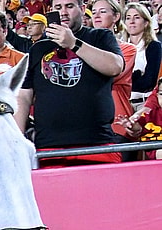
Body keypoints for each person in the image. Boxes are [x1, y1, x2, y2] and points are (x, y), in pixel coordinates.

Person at [15, 0, 124, 166]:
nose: (63, 12)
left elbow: (115, 66)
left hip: (97, 145)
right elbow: (24, 95)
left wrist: (73, 43)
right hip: (48, 148)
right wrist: (16, 137)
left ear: (82, 9)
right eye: (58, 8)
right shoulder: (38, 48)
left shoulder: (100, 36)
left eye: (70, 6)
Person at [92, 0, 137, 148]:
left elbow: (111, 74)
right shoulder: (81, 48)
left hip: (118, 123)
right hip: (88, 125)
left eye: (103, 11)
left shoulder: (128, 49)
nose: (96, 15)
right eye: (93, 12)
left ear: (116, 16)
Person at [124, 3, 162, 111]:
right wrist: (137, 75)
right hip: (123, 101)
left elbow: (149, 81)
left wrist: (127, 79)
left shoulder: (154, 46)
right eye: (128, 18)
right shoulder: (120, 46)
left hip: (143, 104)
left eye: (136, 17)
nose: (131, 21)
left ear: (146, 23)